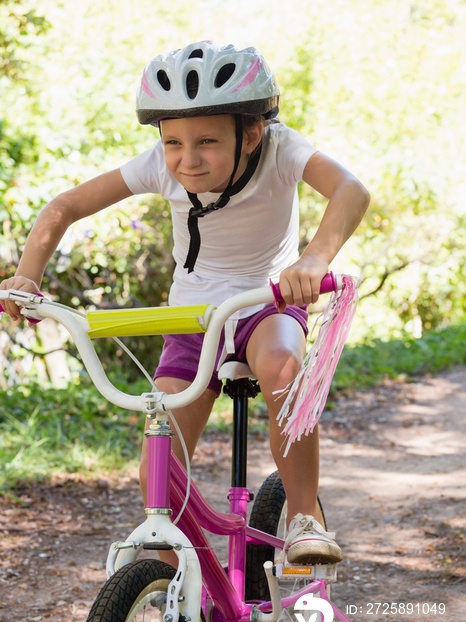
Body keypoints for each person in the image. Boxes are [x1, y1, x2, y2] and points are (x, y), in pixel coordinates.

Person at [0, 41, 370, 565]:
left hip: (265, 301)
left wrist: (312, 261)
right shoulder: (159, 165)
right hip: (193, 317)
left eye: (208, 141)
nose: (187, 159)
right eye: (173, 141)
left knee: (281, 368)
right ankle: (175, 572)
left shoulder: (283, 150)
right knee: (160, 429)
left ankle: (304, 515)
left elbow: (350, 191)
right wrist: (27, 277)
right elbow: (64, 208)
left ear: (252, 133)